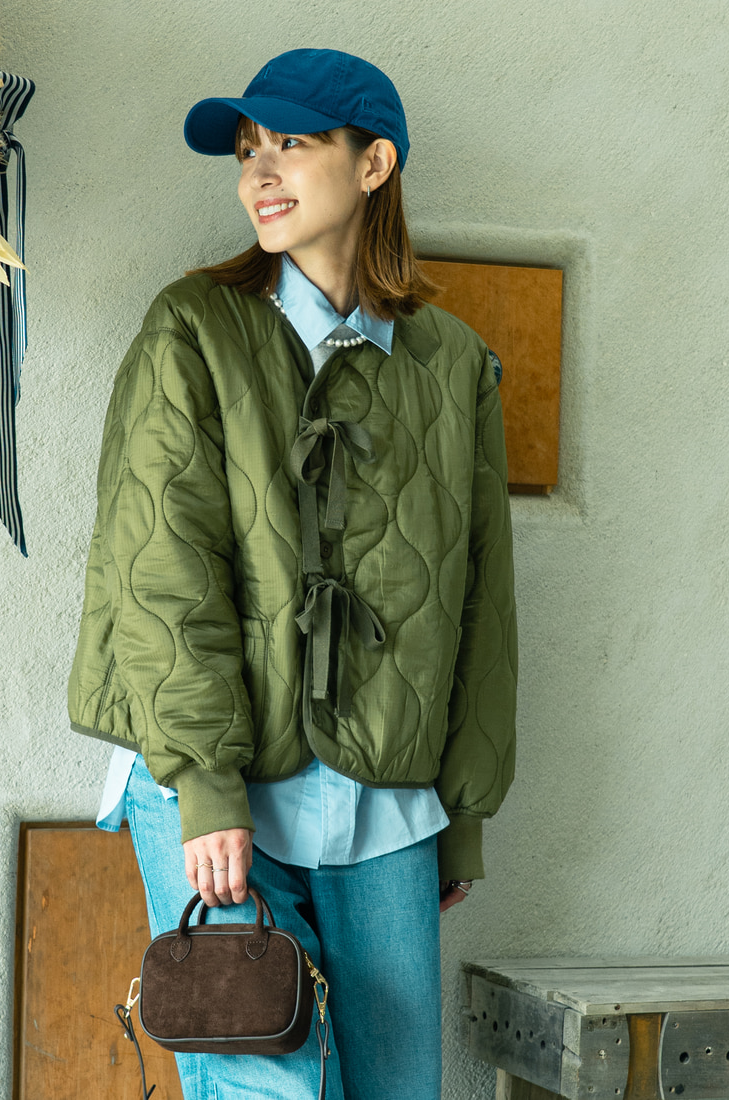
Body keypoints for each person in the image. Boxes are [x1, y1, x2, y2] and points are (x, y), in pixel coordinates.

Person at [69, 47, 517, 1100]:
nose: (259, 173)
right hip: (213, 780)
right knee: (269, 1088)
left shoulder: (452, 363)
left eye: (292, 143)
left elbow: (480, 598)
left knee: (398, 1087)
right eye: (246, 151)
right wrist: (207, 785)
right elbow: (161, 569)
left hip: (385, 796)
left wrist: (462, 813)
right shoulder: (193, 330)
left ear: (373, 164)